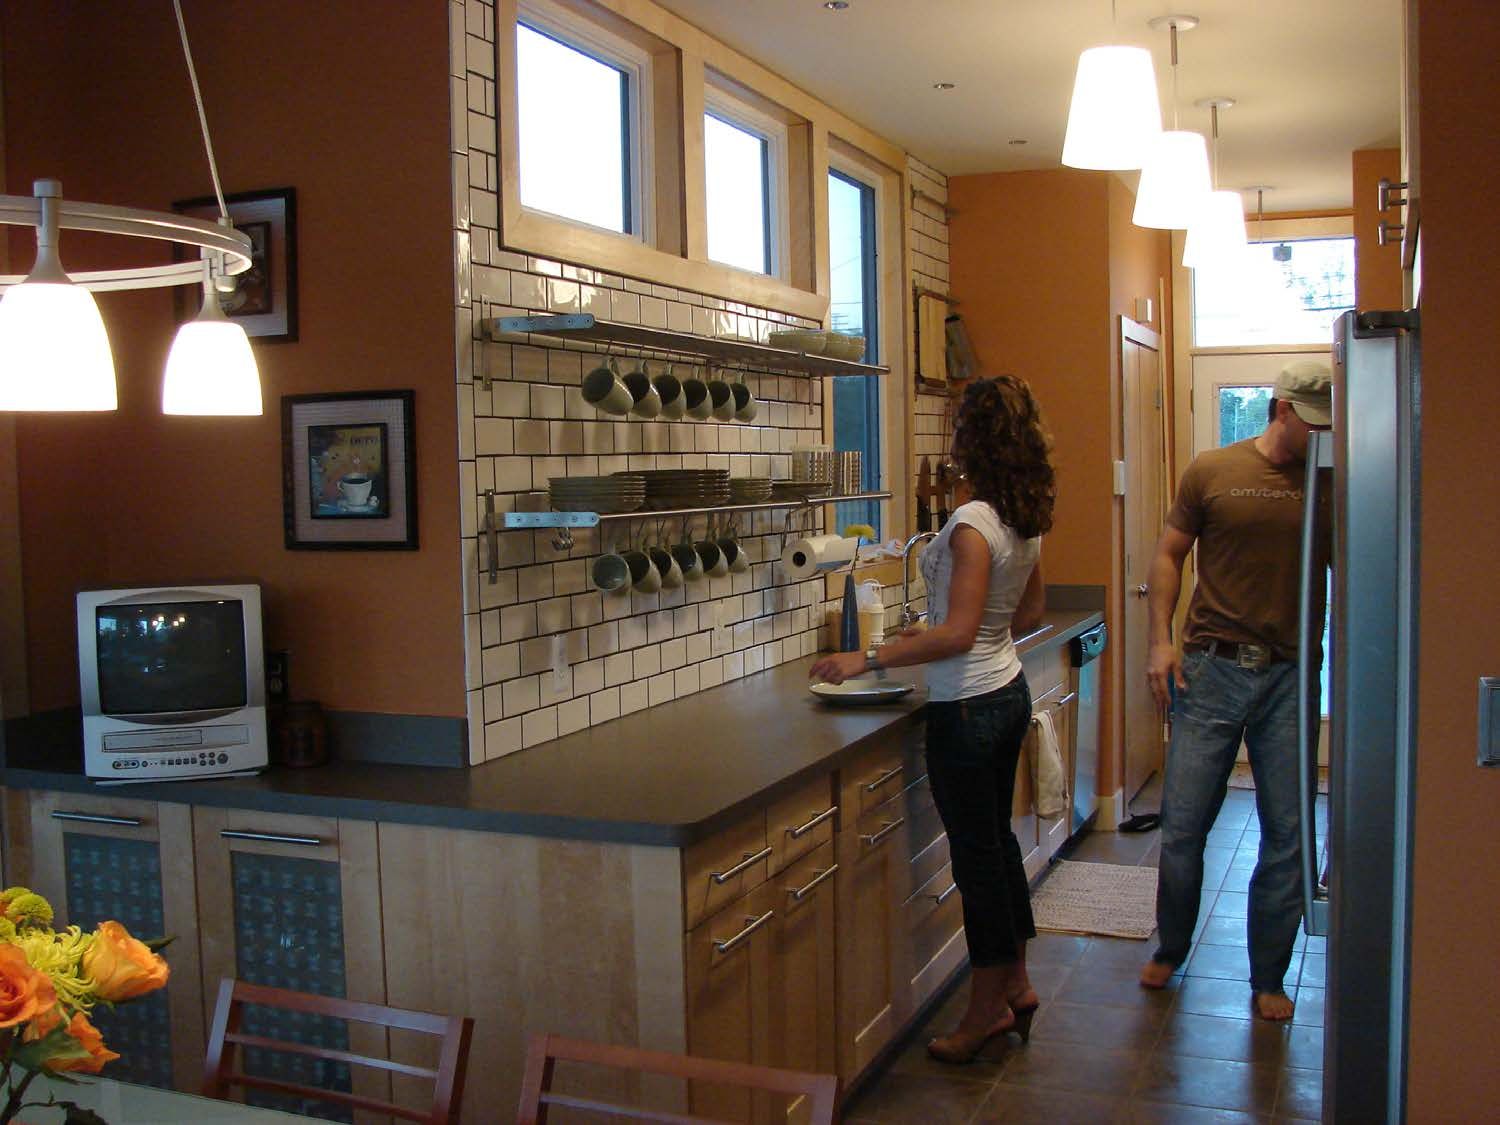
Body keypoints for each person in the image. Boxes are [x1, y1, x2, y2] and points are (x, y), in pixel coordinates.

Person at [810, 374, 1054, 1063]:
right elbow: (1027, 612)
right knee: (997, 849)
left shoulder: (972, 524)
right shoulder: (1021, 513)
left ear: (972, 436)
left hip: (969, 709)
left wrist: (868, 656)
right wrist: (956, 630)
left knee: (978, 866)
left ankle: (984, 1012)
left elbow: (957, 634)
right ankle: (1017, 984)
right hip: (1006, 692)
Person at [1138, 359, 1332, 1021]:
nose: (1322, 434)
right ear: (1281, 409)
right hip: (1211, 669)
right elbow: (1169, 554)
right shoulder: (1213, 470)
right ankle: (1171, 946)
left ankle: (1268, 976)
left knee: (1289, 833)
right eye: (1312, 421)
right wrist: (1160, 641)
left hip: (1290, 673)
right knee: (1183, 825)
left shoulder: (1332, 483)